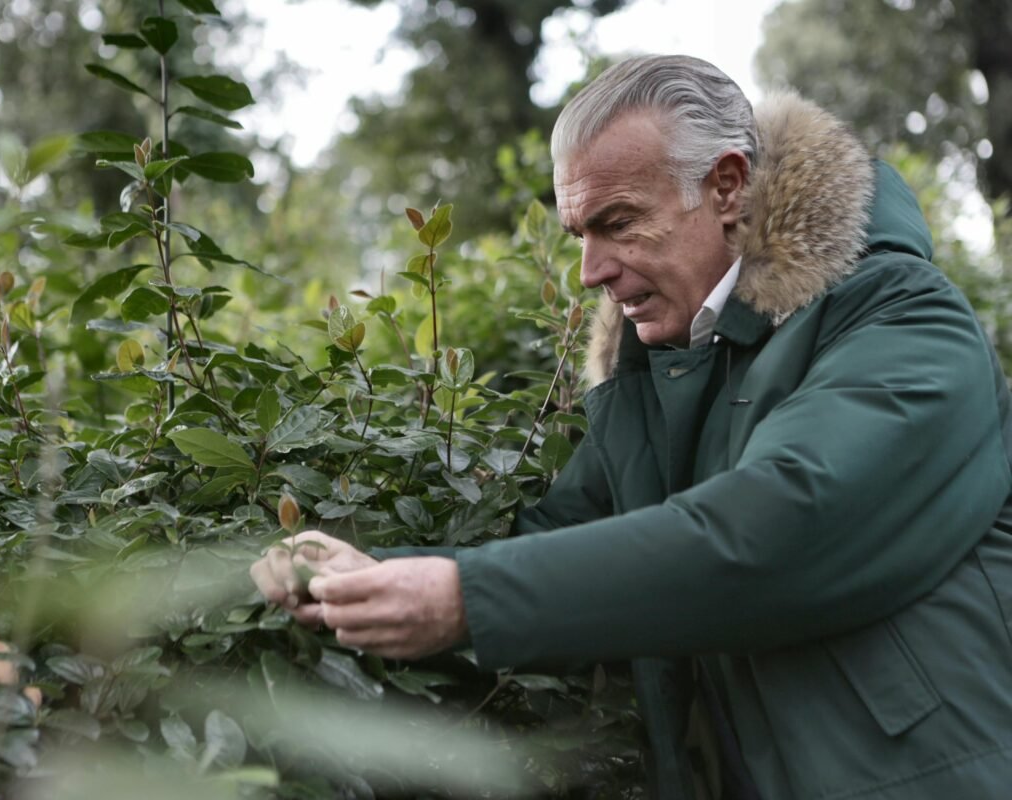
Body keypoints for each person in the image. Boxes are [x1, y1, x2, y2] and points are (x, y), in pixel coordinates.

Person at [250, 55, 1012, 799]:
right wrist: (366, 574)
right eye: (579, 232)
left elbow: (777, 530)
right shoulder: (662, 371)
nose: (589, 271)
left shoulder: (903, 318)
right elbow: (554, 546)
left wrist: (465, 599)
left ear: (726, 187)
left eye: (619, 223)